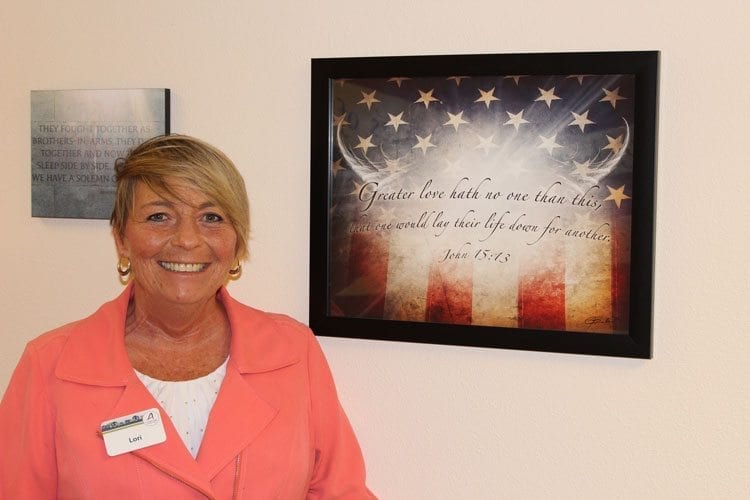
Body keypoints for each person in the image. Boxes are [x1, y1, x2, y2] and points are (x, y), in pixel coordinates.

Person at [0, 134, 376, 499]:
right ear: (121, 238)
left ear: (236, 242)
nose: (187, 239)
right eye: (159, 216)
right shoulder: (50, 365)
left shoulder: (293, 352)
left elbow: (339, 492)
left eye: (211, 217)